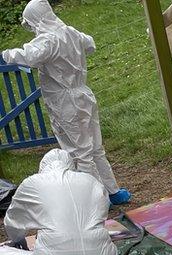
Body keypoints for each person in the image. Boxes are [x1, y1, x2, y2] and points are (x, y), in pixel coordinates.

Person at [1, 0, 131, 205]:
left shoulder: (48, 40)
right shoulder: (69, 32)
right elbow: (90, 43)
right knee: (95, 148)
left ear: (37, 20)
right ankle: (113, 191)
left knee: (80, 153)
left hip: (64, 101)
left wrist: (5, 55)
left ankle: (96, 200)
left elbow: (28, 56)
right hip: (83, 94)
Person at [0, 149, 121, 255]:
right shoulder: (92, 182)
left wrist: (18, 241)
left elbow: (13, 224)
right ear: (71, 166)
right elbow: (99, 218)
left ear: (42, 167)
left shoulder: (32, 183)